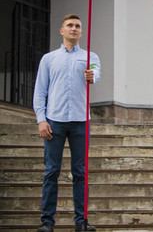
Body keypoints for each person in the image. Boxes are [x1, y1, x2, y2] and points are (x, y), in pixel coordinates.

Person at [33, 14, 101, 232]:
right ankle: (47, 222)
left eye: (77, 26)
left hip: (81, 121)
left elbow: (97, 73)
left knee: (80, 172)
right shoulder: (49, 59)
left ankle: (81, 222)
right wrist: (41, 119)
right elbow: (40, 91)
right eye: (70, 26)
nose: (74, 29)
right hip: (55, 120)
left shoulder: (90, 56)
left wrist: (93, 76)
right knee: (51, 171)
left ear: (81, 32)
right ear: (62, 31)